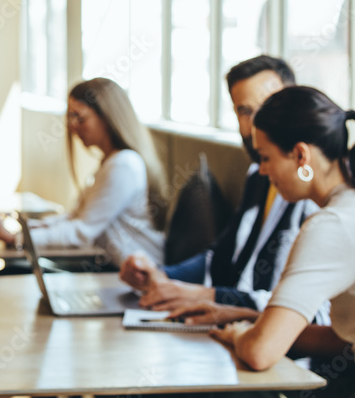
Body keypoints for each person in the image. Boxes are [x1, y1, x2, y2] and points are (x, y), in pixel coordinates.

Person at [168, 86, 355, 398]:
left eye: (266, 158)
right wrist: (254, 319)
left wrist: (240, 336)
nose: (263, 171)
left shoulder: (332, 225)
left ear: (301, 156)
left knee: (206, 397)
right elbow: (344, 341)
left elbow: (260, 353)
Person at [119, 56, 328, 325]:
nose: (257, 124)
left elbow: (301, 309)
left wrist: (207, 296)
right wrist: (159, 275)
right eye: (244, 111)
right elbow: (220, 258)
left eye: (268, 107)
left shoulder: (316, 198)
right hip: (235, 328)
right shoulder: (258, 177)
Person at [0, 77, 169, 265]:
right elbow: (75, 217)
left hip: (133, 274)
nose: (72, 126)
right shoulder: (112, 161)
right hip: (111, 265)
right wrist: (22, 231)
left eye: (80, 117)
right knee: (17, 266)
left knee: (16, 268)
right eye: (70, 117)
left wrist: (15, 239)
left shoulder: (123, 165)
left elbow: (81, 231)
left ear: (106, 117)